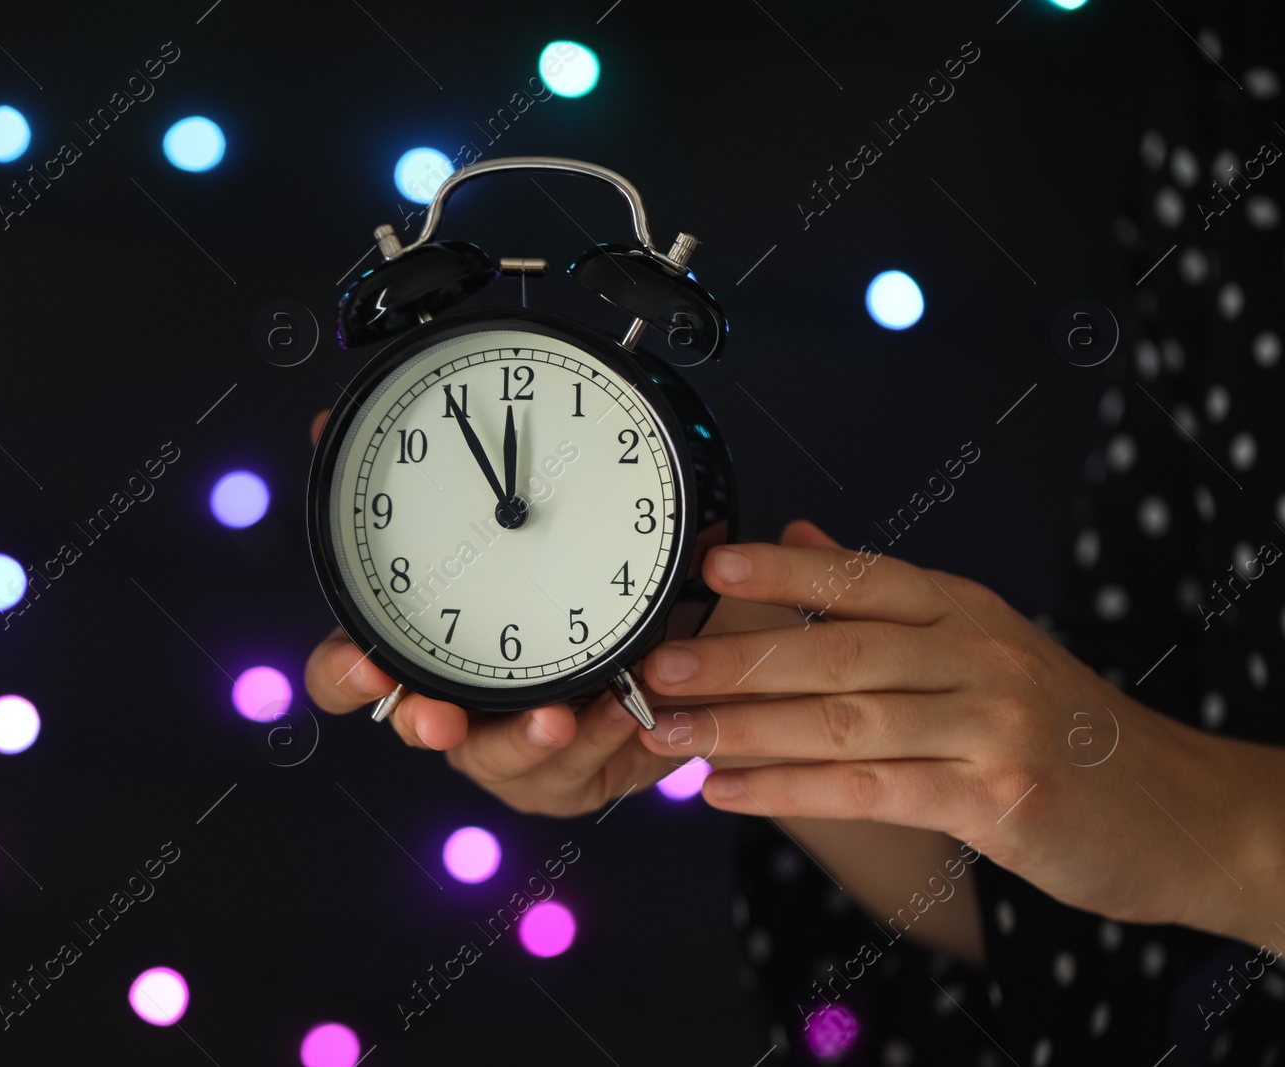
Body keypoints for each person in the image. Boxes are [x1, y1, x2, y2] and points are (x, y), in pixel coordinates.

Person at [304, 8, 1284, 1058]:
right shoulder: (1220, 79)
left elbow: (1168, 831)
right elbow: (1100, 914)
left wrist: (1220, 828)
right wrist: (739, 661)